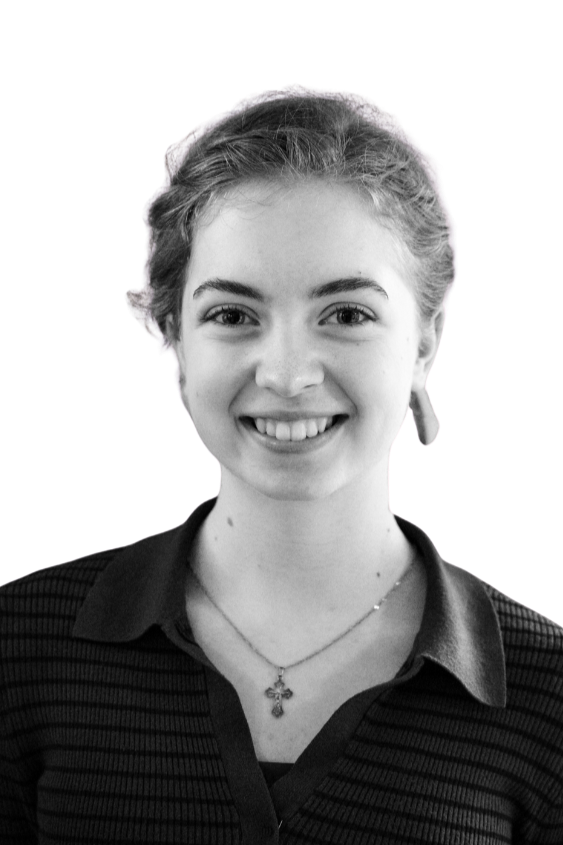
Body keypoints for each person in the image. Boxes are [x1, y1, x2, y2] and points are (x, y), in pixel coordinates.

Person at [1, 86, 561, 844]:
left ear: (427, 341)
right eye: (233, 315)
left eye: (347, 314)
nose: (289, 372)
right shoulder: (18, 646)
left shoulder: (547, 693)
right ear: (175, 343)